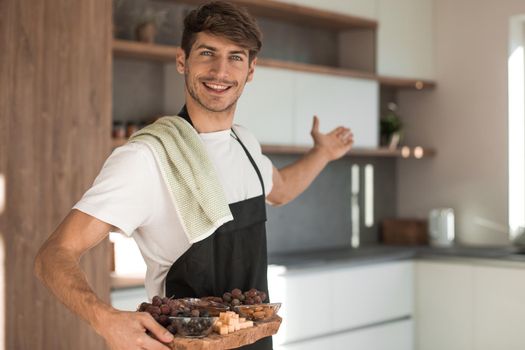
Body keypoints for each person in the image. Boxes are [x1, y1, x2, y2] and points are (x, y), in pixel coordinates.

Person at [34, 1, 354, 349]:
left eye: (235, 56)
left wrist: (323, 153)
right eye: (207, 52)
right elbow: (54, 253)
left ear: (250, 70)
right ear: (182, 60)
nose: (220, 70)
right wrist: (105, 319)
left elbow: (281, 190)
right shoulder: (148, 156)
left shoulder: (245, 143)